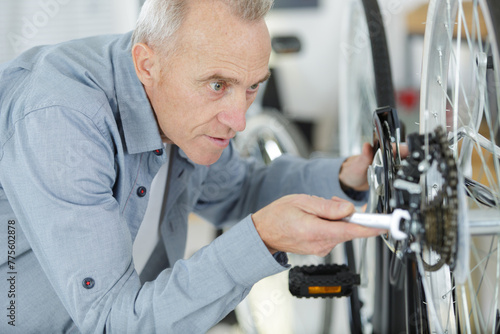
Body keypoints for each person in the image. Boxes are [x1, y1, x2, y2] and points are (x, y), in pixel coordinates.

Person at [0, 0, 384, 332]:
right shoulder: (60, 120)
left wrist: (346, 176)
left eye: (251, 87)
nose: (239, 120)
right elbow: (112, 323)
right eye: (217, 86)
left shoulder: (178, 108)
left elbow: (239, 190)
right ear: (147, 64)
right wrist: (262, 239)